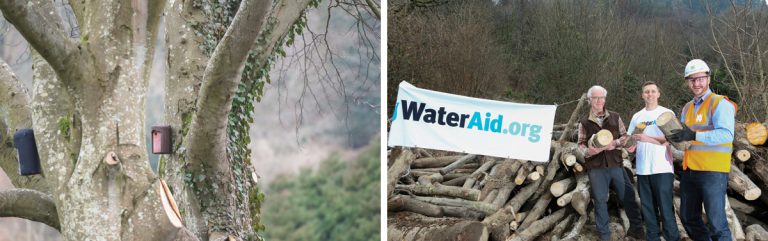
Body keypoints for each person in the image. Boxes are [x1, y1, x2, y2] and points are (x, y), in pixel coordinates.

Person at [667, 59, 736, 241]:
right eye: (692, 80)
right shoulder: (687, 107)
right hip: (690, 170)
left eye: (700, 79)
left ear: (708, 79)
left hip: (713, 172)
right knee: (689, 218)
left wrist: (694, 135)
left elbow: (727, 135)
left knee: (717, 225)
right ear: (687, 82)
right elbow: (684, 138)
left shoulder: (720, 104)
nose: (696, 83)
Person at [577, 85, 644, 241]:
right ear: (589, 100)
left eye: (601, 97)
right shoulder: (584, 122)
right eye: (595, 97)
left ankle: (637, 230)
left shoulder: (615, 117)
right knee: (600, 200)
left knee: (627, 196)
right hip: (596, 168)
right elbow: (580, 144)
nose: (599, 100)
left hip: (616, 164)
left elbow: (625, 137)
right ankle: (604, 236)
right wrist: (587, 152)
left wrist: (615, 143)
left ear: (605, 99)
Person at [627, 81, 680, 241]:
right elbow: (631, 140)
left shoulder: (667, 113)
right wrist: (630, 144)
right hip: (643, 169)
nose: (649, 94)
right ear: (642, 95)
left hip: (662, 168)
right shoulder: (637, 116)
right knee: (648, 210)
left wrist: (646, 138)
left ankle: (673, 238)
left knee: (665, 208)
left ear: (658, 94)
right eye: (646, 92)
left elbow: (672, 139)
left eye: (652, 91)